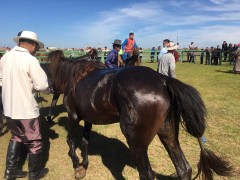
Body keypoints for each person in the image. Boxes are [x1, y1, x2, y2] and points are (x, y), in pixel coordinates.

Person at [0, 30, 50, 180]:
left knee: (16, 137)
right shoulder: (30, 60)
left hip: (9, 108)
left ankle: (10, 172)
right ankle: (34, 174)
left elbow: (1, 80)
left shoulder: (5, 57)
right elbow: (42, 85)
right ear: (33, 45)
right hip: (25, 109)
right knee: (34, 142)